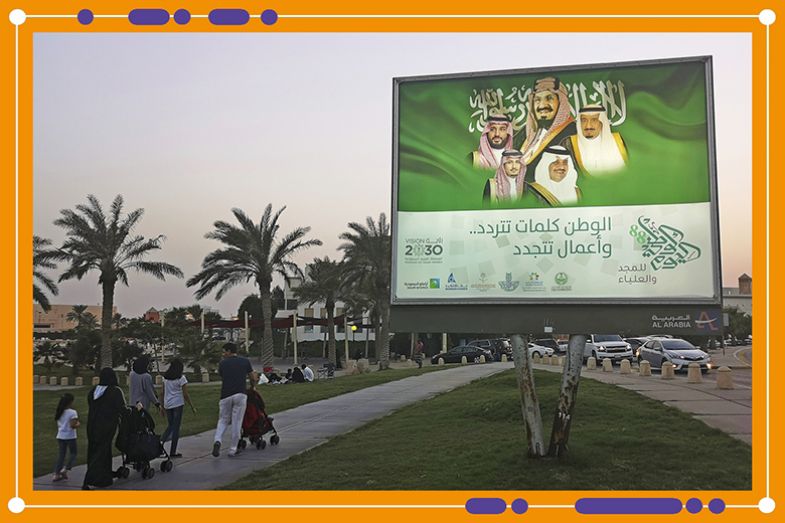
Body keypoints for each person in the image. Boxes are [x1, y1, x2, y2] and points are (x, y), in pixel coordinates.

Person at [519, 76, 577, 176]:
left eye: (549, 98)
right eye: (537, 100)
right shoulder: (524, 133)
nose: (542, 105)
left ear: (561, 103)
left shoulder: (572, 133)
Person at [83, 368, 126, 490]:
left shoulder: (93, 391)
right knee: (102, 452)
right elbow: (122, 408)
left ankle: (104, 477)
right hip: (106, 426)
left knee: (94, 451)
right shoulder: (115, 391)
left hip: (92, 425)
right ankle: (89, 479)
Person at [212, 342, 257, 457]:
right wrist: (252, 386)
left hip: (225, 395)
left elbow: (221, 375)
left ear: (228, 351)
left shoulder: (222, 363)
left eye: (224, 351)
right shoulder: (245, 361)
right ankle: (232, 449)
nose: (223, 354)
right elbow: (253, 377)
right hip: (240, 394)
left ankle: (217, 440)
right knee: (237, 422)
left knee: (223, 420)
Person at [568, 104, 629, 175]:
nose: (588, 126)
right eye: (584, 120)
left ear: (602, 122)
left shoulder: (618, 141)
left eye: (594, 120)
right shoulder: (569, 143)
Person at [160, 358, 196, 458]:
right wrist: (192, 406)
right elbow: (185, 394)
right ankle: (171, 450)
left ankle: (161, 444)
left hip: (168, 404)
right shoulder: (181, 378)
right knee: (175, 428)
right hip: (177, 404)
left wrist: (162, 407)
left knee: (171, 425)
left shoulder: (165, 378)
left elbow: (162, 393)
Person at [52, 393, 79, 482]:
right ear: (70, 402)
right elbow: (72, 425)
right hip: (70, 436)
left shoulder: (59, 411)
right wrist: (78, 424)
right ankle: (65, 469)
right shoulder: (72, 412)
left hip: (60, 435)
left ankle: (56, 474)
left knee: (61, 455)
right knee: (73, 453)